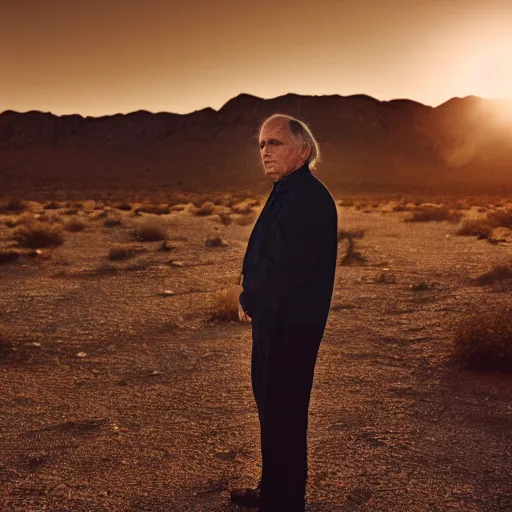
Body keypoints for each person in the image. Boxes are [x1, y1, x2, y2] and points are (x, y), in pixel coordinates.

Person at [230, 113, 338, 511]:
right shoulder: (287, 192)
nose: (264, 151)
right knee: (272, 414)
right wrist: (253, 295)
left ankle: (285, 502)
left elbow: (289, 267)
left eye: (274, 143)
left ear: (302, 150)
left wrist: (252, 300)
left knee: (286, 419)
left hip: (292, 328)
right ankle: (272, 492)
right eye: (261, 144)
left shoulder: (308, 198)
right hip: (274, 323)